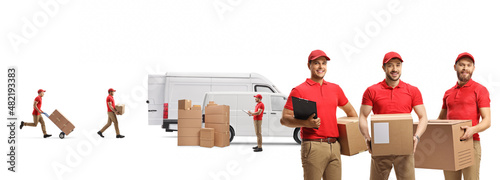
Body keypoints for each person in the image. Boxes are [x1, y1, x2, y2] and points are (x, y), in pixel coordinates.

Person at [281, 49, 358, 180]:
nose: (321, 66)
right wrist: (306, 124)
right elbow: (284, 119)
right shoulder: (299, 90)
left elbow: (352, 114)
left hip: (334, 146)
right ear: (309, 65)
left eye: (324, 63)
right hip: (313, 146)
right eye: (316, 63)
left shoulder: (335, 89)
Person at [358, 51, 428, 180]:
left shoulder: (412, 90)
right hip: (380, 146)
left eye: (398, 65)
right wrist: (367, 138)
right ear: (383, 67)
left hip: (405, 146)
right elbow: (362, 116)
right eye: (390, 65)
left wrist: (416, 137)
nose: (395, 69)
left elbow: (423, 117)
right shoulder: (372, 91)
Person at [438, 52, 490, 180]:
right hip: (449, 144)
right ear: (455, 67)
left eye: (468, 65)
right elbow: (441, 119)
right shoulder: (448, 93)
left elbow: (487, 120)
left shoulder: (480, 89)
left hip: (470, 143)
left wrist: (472, 130)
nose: (465, 68)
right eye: (461, 65)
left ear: (473, 68)